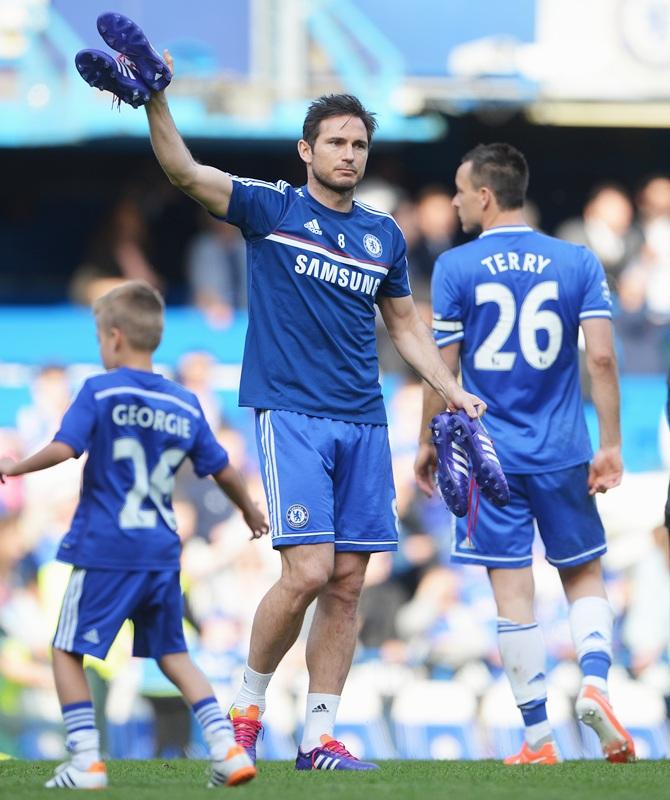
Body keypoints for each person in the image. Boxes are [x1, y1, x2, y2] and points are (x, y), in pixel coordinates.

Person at [74, 12, 485, 772]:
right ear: (306, 151)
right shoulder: (272, 208)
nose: (349, 154)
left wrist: (449, 388)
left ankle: (320, 737)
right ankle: (246, 709)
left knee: (350, 582)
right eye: (336, 141)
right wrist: (157, 102)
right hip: (292, 415)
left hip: (363, 421)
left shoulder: (383, 236)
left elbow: (405, 328)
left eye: (359, 144)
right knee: (305, 572)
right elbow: (184, 173)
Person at [414, 143, 636, 765]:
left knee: (512, 596)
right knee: (584, 574)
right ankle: (594, 681)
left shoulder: (457, 267)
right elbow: (600, 358)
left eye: (460, 190)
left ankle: (538, 739)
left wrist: (426, 445)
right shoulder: (577, 260)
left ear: (485, 195)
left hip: (491, 459)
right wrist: (611, 443)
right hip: (564, 451)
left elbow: (442, 368)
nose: (455, 200)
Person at [0, 281, 268, 788]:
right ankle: (226, 748)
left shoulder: (100, 392)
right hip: (162, 550)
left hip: (107, 545)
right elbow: (223, 468)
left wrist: (17, 466)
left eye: (100, 338)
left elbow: (64, 447)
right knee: (173, 654)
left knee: (65, 648)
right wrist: (251, 510)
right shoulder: (185, 402)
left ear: (116, 338)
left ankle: (85, 761)